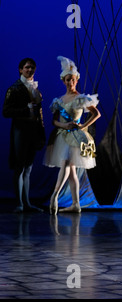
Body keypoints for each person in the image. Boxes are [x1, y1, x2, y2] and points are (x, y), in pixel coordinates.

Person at [43, 56, 101, 214]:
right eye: (68, 80)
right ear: (64, 81)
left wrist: (83, 126)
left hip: (75, 138)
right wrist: (64, 125)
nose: (71, 82)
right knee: (71, 169)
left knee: (67, 164)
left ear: (76, 80)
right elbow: (54, 121)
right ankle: (76, 204)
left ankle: (55, 195)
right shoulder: (59, 100)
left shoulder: (81, 98)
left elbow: (96, 114)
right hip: (62, 136)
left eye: (73, 79)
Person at [2, 58, 45, 213]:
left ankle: (26, 203)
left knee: (28, 168)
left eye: (32, 67)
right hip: (20, 131)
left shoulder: (36, 89)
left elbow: (39, 113)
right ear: (20, 69)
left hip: (33, 131)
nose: (29, 70)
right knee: (19, 167)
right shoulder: (14, 88)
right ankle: (20, 203)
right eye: (27, 68)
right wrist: (25, 111)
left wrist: (41, 131)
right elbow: (6, 111)